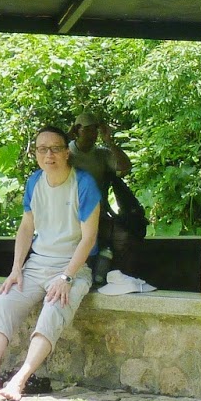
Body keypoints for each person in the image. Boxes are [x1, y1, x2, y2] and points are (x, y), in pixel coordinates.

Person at [0, 126, 101, 401]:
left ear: (66, 152)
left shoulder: (83, 183)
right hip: (36, 265)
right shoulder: (35, 182)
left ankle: (19, 380)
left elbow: (89, 238)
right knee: (1, 304)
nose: (49, 155)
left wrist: (67, 277)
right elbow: (26, 227)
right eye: (42, 149)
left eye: (55, 149)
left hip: (73, 268)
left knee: (53, 311)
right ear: (35, 154)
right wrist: (16, 269)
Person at [68, 113, 140, 280]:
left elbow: (124, 167)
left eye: (95, 129)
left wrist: (109, 141)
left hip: (97, 215)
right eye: (87, 129)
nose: (92, 134)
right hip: (69, 215)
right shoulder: (67, 153)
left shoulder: (101, 154)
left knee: (123, 240)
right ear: (77, 130)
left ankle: (112, 280)